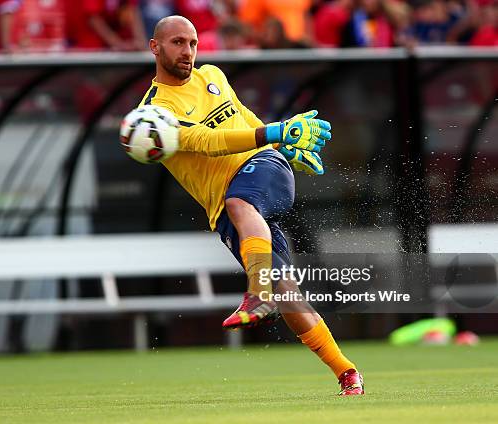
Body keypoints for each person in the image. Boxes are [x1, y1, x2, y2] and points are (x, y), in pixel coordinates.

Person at [137, 15, 364, 395]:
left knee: (241, 201)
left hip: (259, 172)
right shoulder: (155, 113)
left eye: (193, 43)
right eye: (178, 42)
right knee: (286, 291)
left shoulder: (212, 74)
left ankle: (256, 293)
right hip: (229, 211)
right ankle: (347, 372)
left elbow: (245, 120)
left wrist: (280, 146)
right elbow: (209, 142)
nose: (188, 52)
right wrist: (276, 131)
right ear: (154, 47)